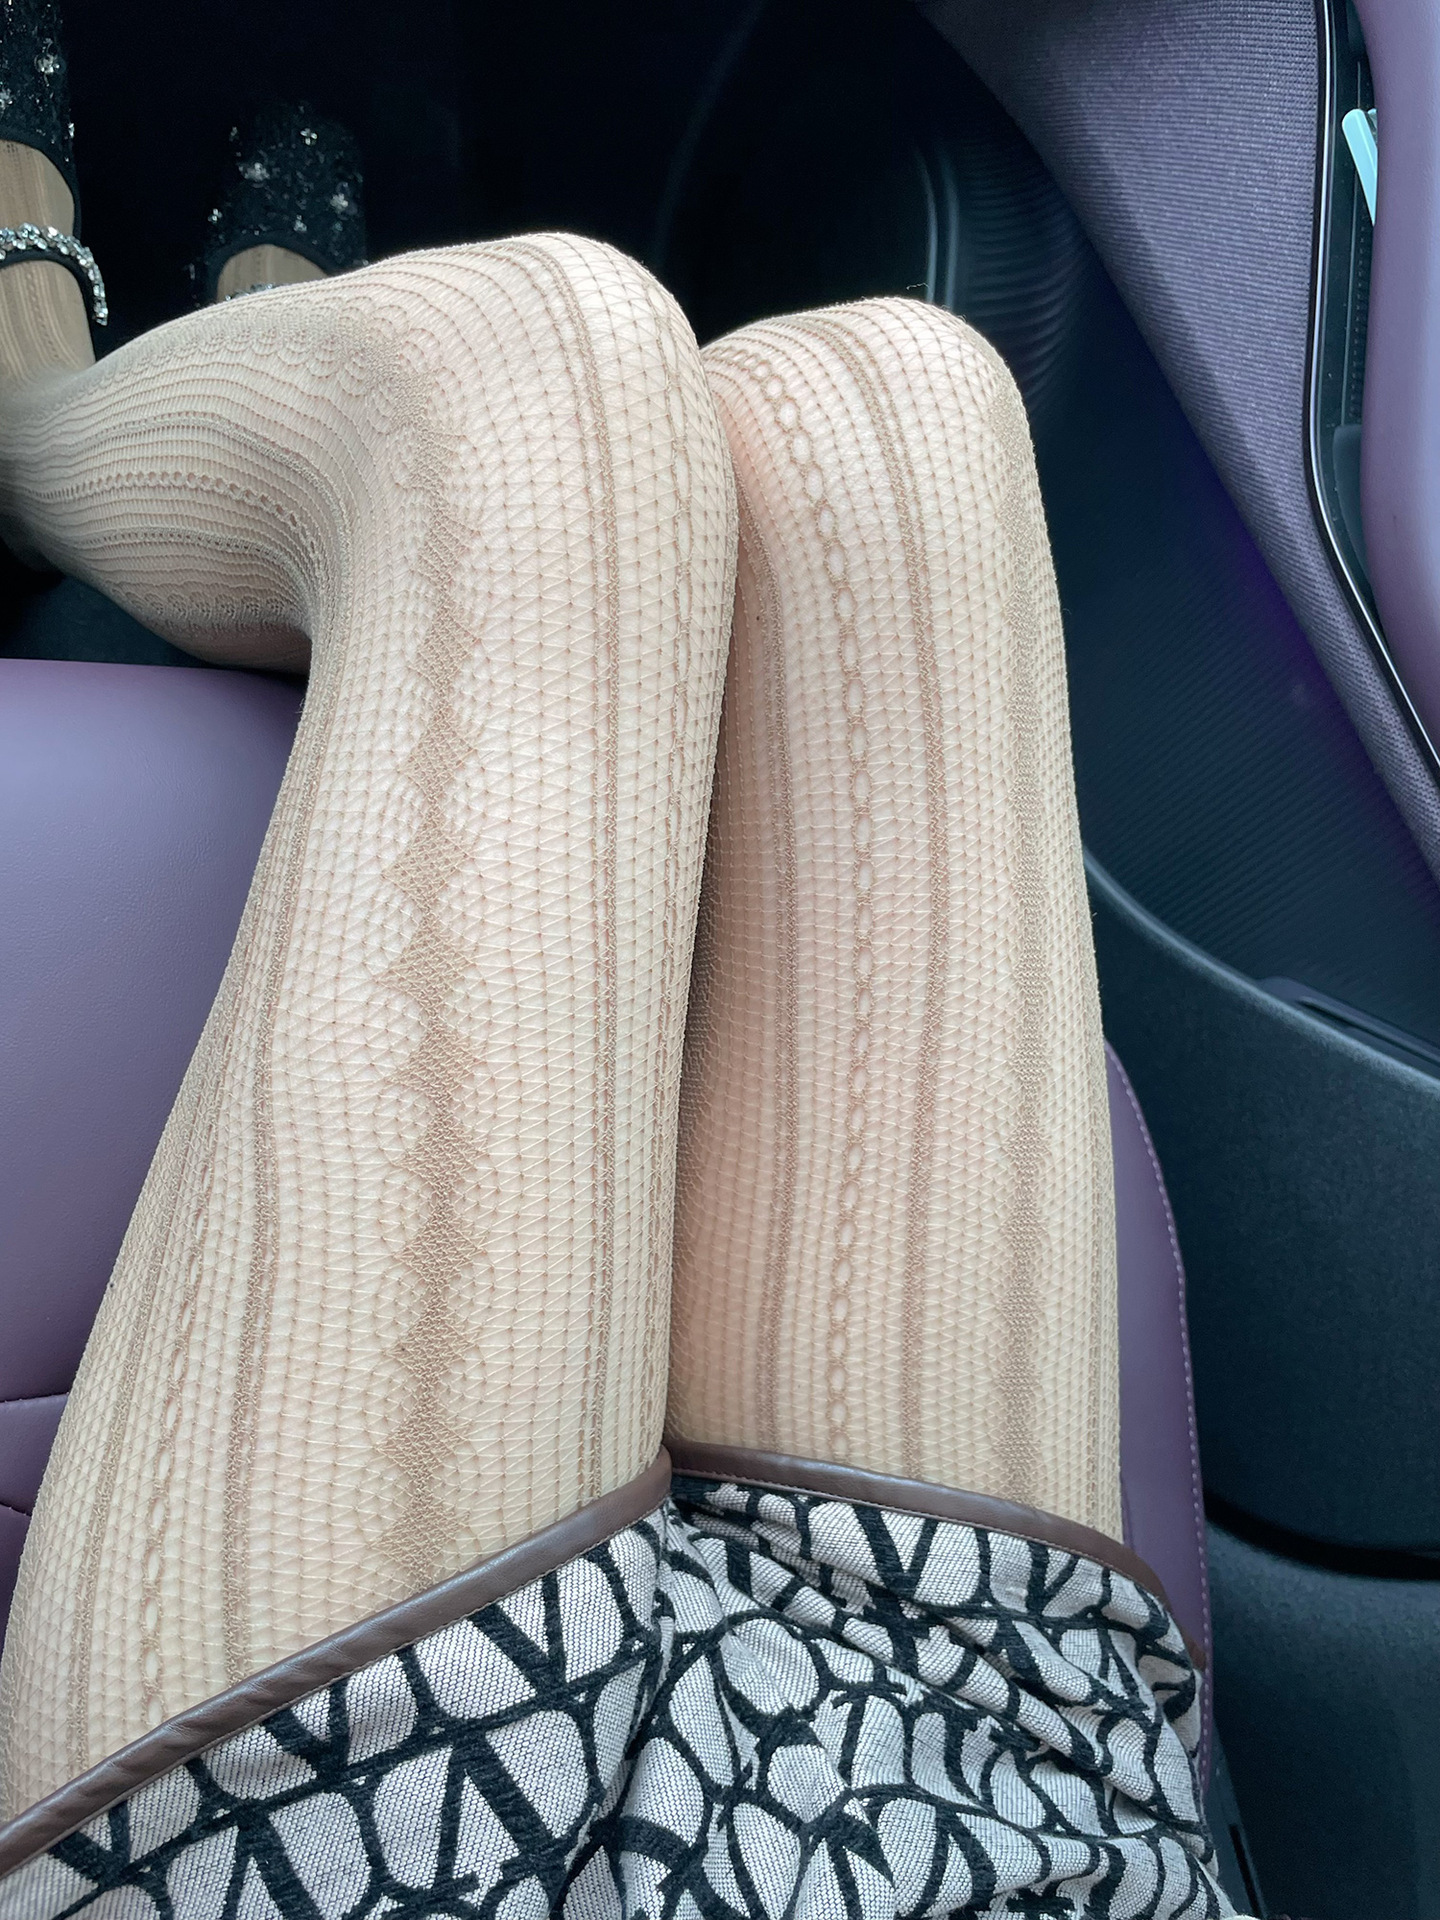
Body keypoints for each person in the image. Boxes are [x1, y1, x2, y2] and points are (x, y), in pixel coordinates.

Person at [0, 7, 1239, 1913]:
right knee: (899, 418)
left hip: (420, 1856)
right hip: (1011, 1834)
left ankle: (38, 389)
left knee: (535, 375)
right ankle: (261, 328)